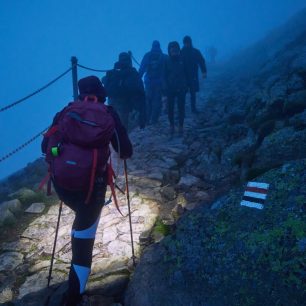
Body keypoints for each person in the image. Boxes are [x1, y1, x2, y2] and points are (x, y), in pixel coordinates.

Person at [41, 76, 133, 306]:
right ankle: (74, 297)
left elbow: (45, 146)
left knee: (80, 221)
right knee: (84, 240)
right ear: (102, 92)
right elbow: (125, 151)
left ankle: (76, 236)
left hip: (64, 185)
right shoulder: (108, 113)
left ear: (79, 93)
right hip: (92, 188)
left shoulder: (66, 111)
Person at [103, 52, 146, 131]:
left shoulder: (112, 72)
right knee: (123, 127)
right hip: (126, 103)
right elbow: (140, 91)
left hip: (112, 102)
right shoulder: (132, 72)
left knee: (114, 125)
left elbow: (105, 86)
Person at [163, 41, 188, 137]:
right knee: (170, 108)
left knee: (181, 108)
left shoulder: (183, 59)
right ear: (169, 51)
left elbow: (187, 73)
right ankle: (172, 126)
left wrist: (188, 86)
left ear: (178, 50)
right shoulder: (167, 61)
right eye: (172, 50)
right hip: (170, 89)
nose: (174, 51)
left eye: (176, 49)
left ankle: (181, 126)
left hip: (182, 87)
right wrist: (165, 87)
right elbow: (164, 75)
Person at [139, 40, 166, 125]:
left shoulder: (147, 55)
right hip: (159, 82)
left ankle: (147, 119)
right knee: (157, 100)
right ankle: (154, 119)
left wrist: (138, 79)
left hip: (148, 82)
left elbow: (142, 68)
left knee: (148, 100)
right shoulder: (164, 56)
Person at [181, 35, 207, 113]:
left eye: (188, 42)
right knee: (182, 93)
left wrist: (204, 71)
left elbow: (201, 61)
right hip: (183, 76)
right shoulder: (181, 52)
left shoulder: (195, 51)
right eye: (185, 43)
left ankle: (193, 108)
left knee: (193, 93)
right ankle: (182, 110)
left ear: (190, 42)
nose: (187, 44)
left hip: (193, 76)